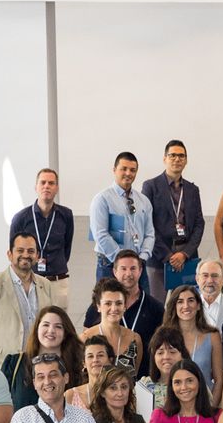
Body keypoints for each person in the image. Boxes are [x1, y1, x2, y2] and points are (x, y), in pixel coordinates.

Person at [0, 232, 54, 368]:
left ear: (37, 256)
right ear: (10, 254)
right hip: (5, 368)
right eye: (20, 250)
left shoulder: (45, 285)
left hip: (39, 366)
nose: (26, 255)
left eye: (31, 251)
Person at [141, 139, 204, 300]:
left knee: (186, 308)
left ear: (186, 160)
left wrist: (184, 254)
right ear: (164, 158)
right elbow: (147, 224)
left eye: (181, 156)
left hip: (187, 259)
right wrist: (169, 256)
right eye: (173, 155)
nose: (177, 159)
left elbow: (199, 224)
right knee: (156, 308)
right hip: (159, 259)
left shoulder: (192, 189)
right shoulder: (150, 186)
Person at [9, 168, 76, 310]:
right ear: (36, 187)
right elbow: (14, 253)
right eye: (43, 182)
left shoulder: (66, 215)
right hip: (31, 280)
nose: (47, 186)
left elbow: (66, 249)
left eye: (51, 183)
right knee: (31, 326)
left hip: (58, 282)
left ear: (56, 188)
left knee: (60, 326)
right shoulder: (21, 218)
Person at [91, 151, 156, 294]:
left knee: (142, 310)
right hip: (109, 264)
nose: (128, 173)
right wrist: (121, 263)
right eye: (124, 169)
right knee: (110, 311)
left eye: (132, 170)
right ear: (114, 170)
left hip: (137, 265)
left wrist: (142, 258)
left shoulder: (143, 201)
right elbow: (100, 235)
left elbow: (150, 233)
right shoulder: (102, 199)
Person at [83, 249, 166, 357]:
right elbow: (86, 343)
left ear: (140, 271)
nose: (128, 273)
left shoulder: (156, 308)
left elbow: (162, 343)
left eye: (133, 268)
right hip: (104, 372)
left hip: (143, 372)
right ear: (114, 271)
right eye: (123, 269)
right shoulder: (97, 307)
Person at [2, 306, 82, 410]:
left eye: (58, 326)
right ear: (37, 329)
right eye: (46, 325)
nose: (51, 330)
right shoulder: (14, 364)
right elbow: (0, 406)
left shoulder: (76, 367)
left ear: (65, 333)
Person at [80, 278, 143, 381]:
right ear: (98, 306)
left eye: (118, 303)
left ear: (125, 306)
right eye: (108, 303)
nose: (114, 308)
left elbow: (134, 377)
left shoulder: (135, 339)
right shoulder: (85, 339)